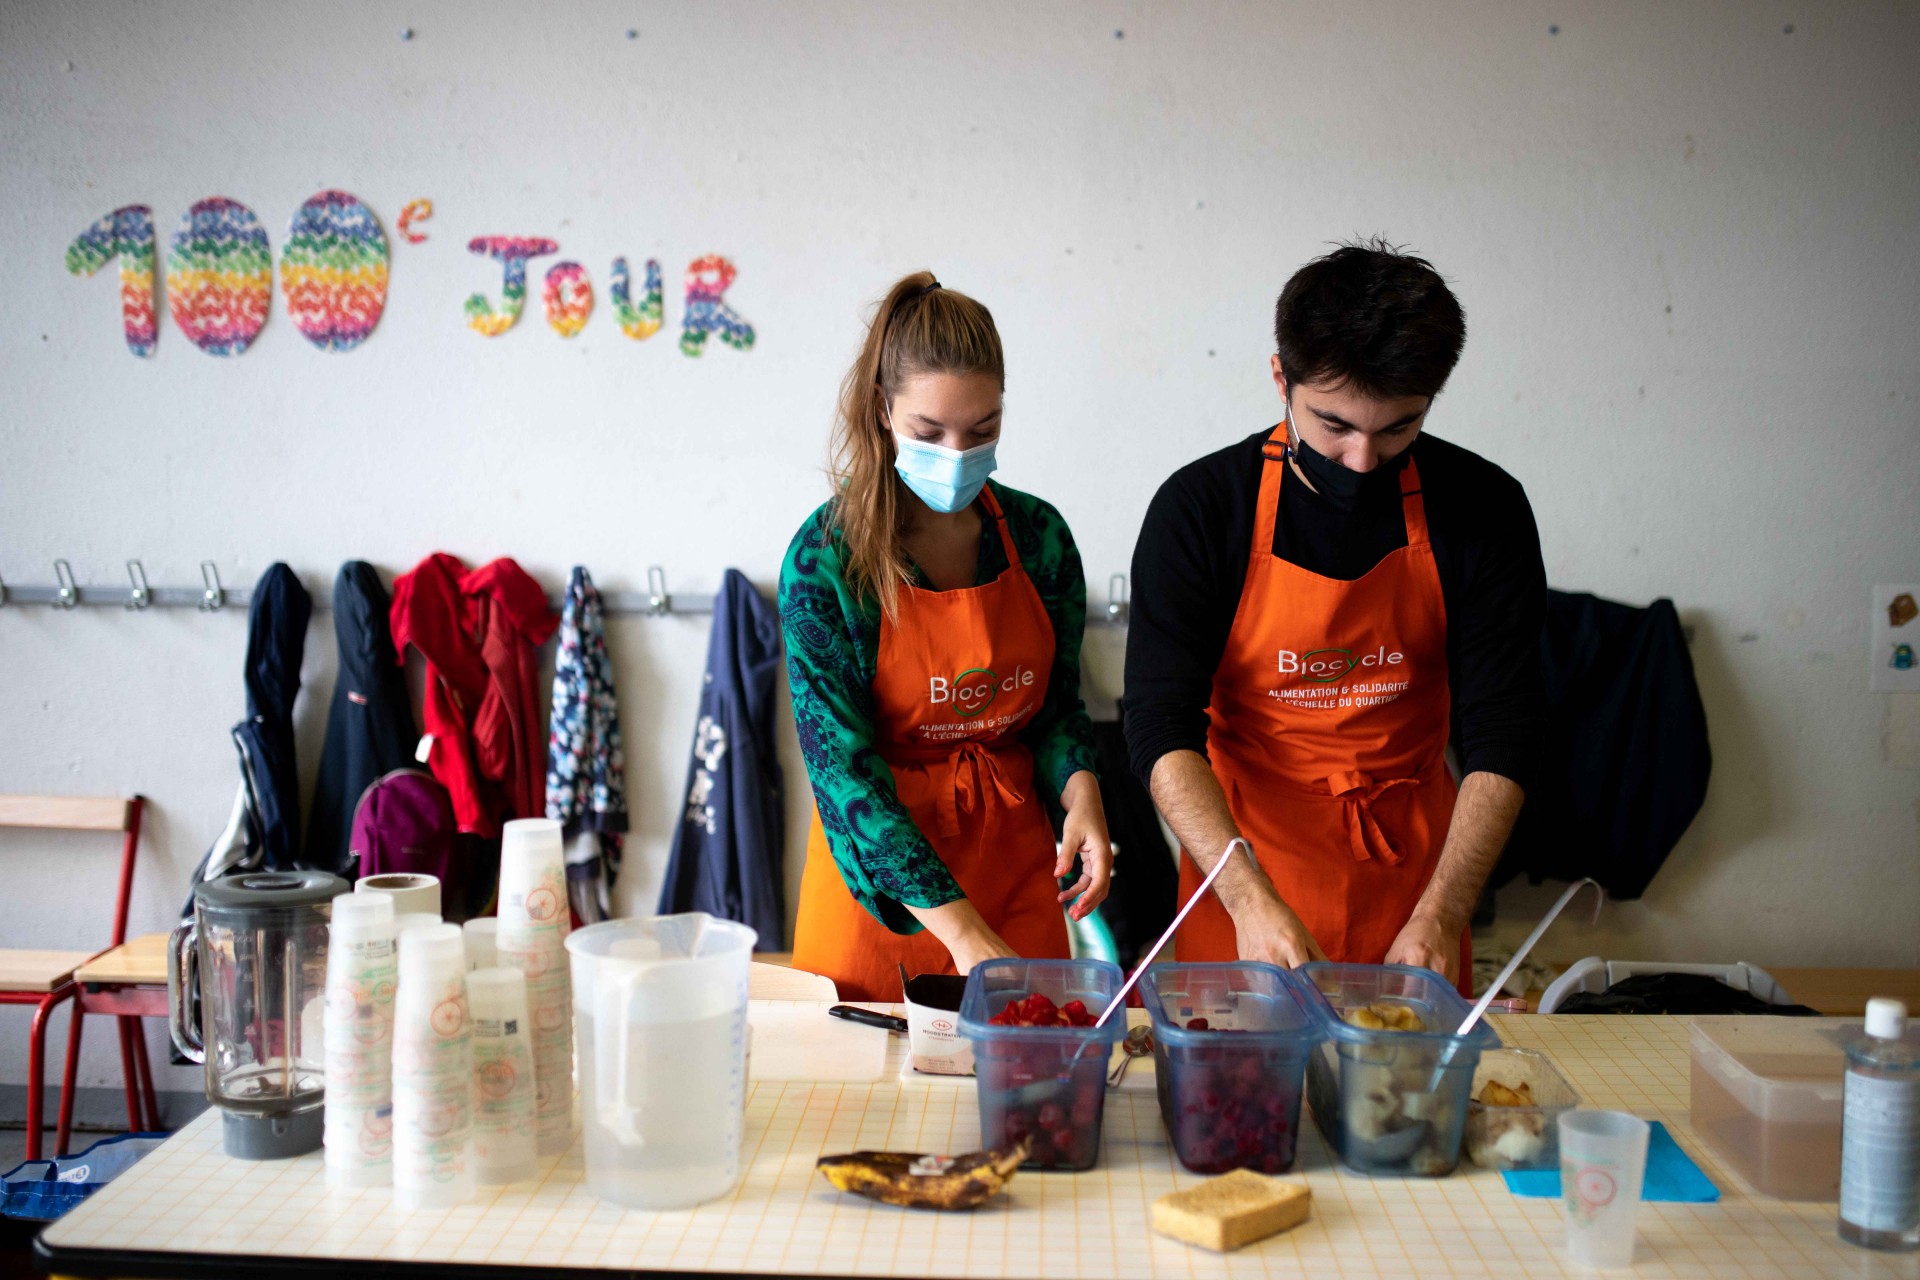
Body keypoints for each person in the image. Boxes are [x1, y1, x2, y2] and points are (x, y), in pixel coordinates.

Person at [1123, 240, 1546, 991]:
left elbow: (1505, 732)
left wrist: (1443, 913)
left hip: (1415, 877)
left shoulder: (1484, 508)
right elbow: (1159, 727)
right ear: (1281, 376)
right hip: (1243, 865)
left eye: (1397, 429)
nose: (1361, 460)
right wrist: (1248, 899)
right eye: (1335, 426)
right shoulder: (1201, 510)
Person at [782, 271, 1112, 1001]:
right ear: (882, 409)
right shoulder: (825, 561)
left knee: (1021, 1098)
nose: (958, 454)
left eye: (983, 430)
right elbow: (842, 774)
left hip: (1016, 874)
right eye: (930, 433)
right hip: (884, 900)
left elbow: (1057, 707)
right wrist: (962, 933)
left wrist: (1081, 793)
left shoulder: (1039, 538)